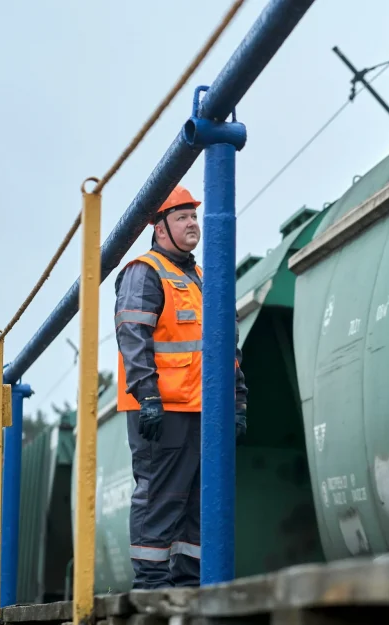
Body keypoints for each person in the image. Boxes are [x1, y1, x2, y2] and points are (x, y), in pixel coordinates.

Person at [114, 184, 248, 589]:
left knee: (198, 503)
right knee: (159, 498)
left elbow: (226, 346)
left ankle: (190, 586)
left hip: (203, 411)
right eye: (182, 217)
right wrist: (148, 394)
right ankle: (152, 587)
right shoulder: (144, 272)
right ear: (160, 229)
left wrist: (237, 401)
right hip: (162, 411)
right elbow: (132, 334)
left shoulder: (204, 279)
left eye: (194, 216)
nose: (192, 223)